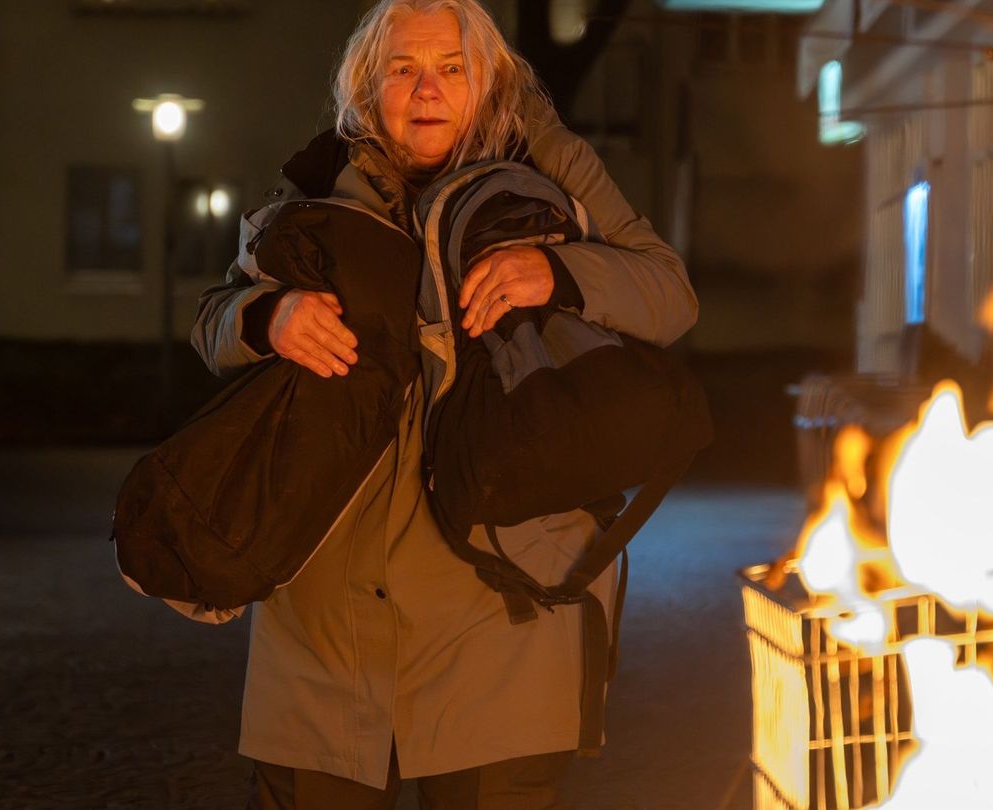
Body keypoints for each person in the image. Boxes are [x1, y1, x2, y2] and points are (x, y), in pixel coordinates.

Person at [189, 1, 697, 807]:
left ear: (486, 80)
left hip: (499, 610)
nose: (428, 90)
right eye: (403, 70)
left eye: (451, 69)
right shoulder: (319, 179)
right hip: (328, 617)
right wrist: (266, 316)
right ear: (366, 84)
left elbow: (670, 295)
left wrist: (558, 273)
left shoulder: (550, 162)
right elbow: (211, 320)